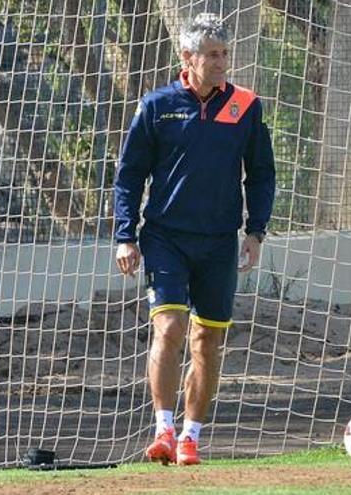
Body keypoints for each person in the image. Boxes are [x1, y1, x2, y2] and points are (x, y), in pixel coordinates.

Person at [112, 13, 275, 466]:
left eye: (225, 54)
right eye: (212, 55)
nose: (221, 62)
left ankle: (191, 437)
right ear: (188, 57)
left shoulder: (246, 105)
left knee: (207, 339)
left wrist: (255, 231)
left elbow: (261, 175)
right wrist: (126, 236)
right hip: (165, 237)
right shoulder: (157, 106)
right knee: (169, 327)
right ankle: (163, 429)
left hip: (220, 242)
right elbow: (128, 177)